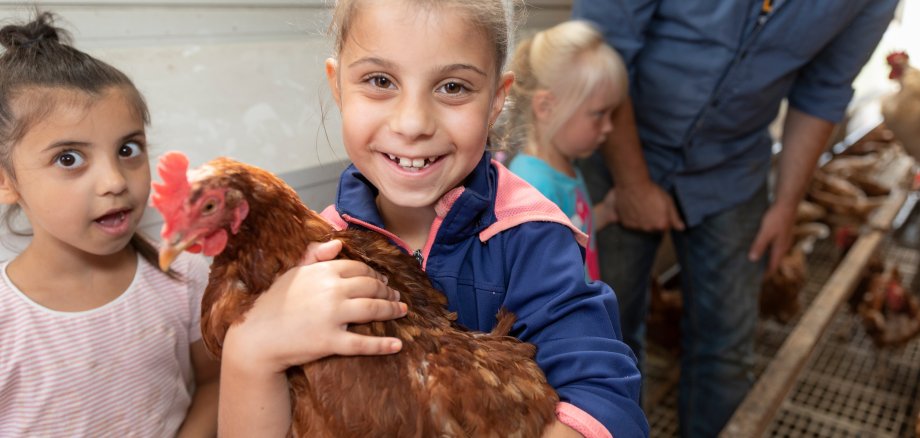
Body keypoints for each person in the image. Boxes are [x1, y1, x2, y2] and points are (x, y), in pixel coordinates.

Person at [218, 0, 648, 437]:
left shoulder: (531, 237)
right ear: (337, 87)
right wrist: (249, 354)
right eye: (380, 80)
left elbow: (606, 399)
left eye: (453, 87)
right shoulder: (319, 250)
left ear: (497, 99)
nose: (413, 123)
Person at [571, 1, 899, 437]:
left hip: (732, 168)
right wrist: (631, 184)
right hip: (613, 139)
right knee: (604, 338)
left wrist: (785, 207)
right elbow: (600, 50)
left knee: (726, 352)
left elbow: (824, 90)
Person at [0, 12, 219, 437]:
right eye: (69, 159)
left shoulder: (183, 277)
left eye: (128, 149)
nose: (116, 181)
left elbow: (213, 381)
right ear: (5, 180)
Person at [504, 20, 627, 281]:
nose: (608, 127)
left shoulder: (564, 167)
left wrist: (602, 212)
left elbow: (574, 227)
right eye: (598, 114)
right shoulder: (533, 185)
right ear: (546, 107)